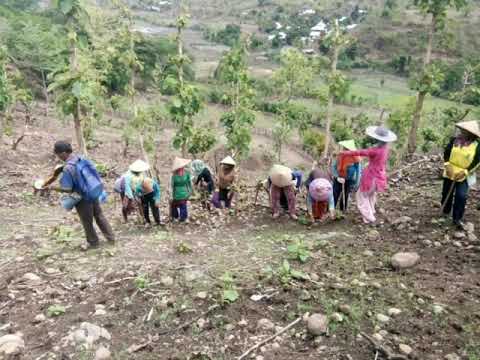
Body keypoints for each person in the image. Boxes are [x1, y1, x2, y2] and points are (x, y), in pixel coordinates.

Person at [46, 141, 114, 249]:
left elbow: (67, 189)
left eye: (58, 154)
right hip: (93, 191)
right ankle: (111, 238)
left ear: (63, 153)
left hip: (82, 197)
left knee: (87, 221)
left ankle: (94, 243)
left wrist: (52, 187)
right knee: (99, 215)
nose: (58, 156)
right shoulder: (81, 158)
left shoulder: (68, 168)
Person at [340, 126, 397, 224]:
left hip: (371, 177)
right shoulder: (385, 149)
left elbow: (360, 152)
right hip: (380, 176)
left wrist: (344, 153)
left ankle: (370, 218)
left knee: (361, 196)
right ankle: (369, 215)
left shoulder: (375, 150)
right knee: (370, 195)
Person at [442, 120, 480, 227]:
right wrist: (447, 165)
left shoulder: (477, 146)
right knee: (446, 193)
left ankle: (457, 218)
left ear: (472, 133)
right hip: (450, 170)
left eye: (466, 131)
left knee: (461, 195)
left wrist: (465, 172)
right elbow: (446, 152)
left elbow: (477, 162)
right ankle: (445, 211)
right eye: (462, 130)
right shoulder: (454, 140)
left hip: (465, 173)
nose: (462, 132)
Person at [125, 160, 162, 226]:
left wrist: (157, 199)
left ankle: (157, 221)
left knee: (155, 207)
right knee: (145, 208)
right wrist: (138, 197)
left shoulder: (154, 184)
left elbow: (158, 192)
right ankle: (147, 221)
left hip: (152, 195)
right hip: (143, 196)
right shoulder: (139, 187)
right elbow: (136, 193)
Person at [332, 140, 361, 211]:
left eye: (347, 148)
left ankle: (342, 210)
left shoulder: (356, 158)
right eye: (344, 148)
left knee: (345, 196)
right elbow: (334, 167)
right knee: (334, 194)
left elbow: (358, 171)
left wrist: (356, 183)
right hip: (338, 178)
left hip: (349, 180)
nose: (345, 149)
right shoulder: (340, 155)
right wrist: (337, 176)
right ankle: (331, 210)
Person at [170, 157, 192, 222]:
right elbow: (172, 185)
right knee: (180, 204)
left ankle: (181, 217)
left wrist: (190, 191)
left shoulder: (186, 173)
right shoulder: (175, 175)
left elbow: (189, 183)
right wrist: (189, 191)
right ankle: (181, 217)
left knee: (180, 204)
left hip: (182, 191)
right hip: (178, 192)